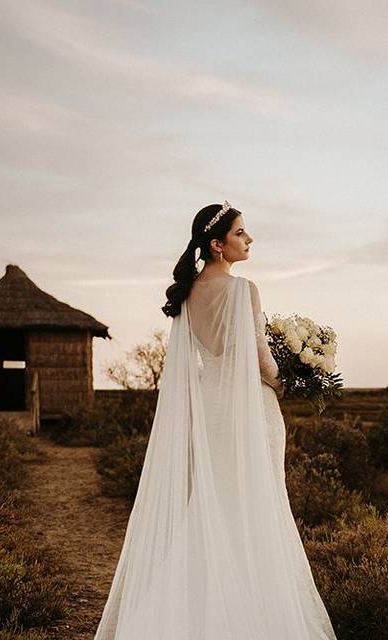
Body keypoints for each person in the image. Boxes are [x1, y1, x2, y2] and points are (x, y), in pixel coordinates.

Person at [94, 202, 337, 640]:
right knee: (254, 504)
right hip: (248, 407)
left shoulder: (187, 295)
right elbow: (261, 361)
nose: (249, 240)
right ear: (217, 245)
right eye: (241, 233)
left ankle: (191, 609)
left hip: (211, 409)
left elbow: (207, 358)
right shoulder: (244, 291)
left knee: (212, 503)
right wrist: (292, 380)